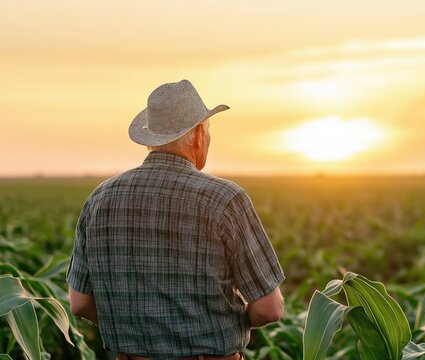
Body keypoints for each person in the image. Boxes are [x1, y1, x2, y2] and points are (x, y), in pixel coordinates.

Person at [66, 80, 285, 360]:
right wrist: (231, 324)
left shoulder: (99, 199)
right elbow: (270, 308)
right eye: (208, 131)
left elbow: (80, 303)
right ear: (196, 135)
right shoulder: (225, 198)